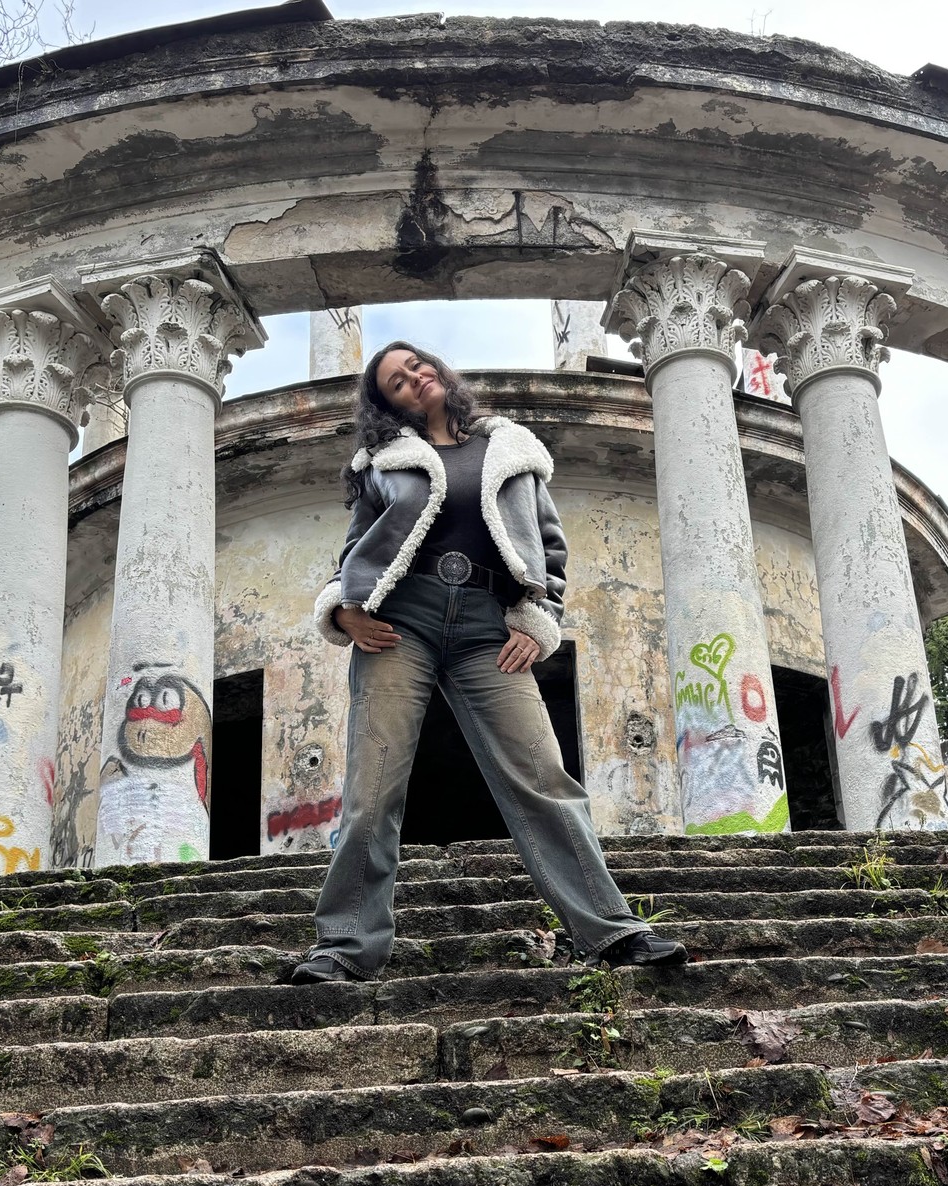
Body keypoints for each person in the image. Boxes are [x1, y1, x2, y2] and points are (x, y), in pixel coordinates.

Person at [287, 340, 688, 984]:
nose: (414, 378)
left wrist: (540, 618)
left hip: (487, 624)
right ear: (389, 405)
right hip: (400, 621)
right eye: (396, 382)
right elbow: (356, 548)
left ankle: (611, 930)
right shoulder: (382, 462)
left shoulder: (512, 448)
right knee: (372, 787)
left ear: (438, 369)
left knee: (543, 775)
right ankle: (345, 945)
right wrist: (342, 609)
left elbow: (549, 548)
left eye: (417, 365)